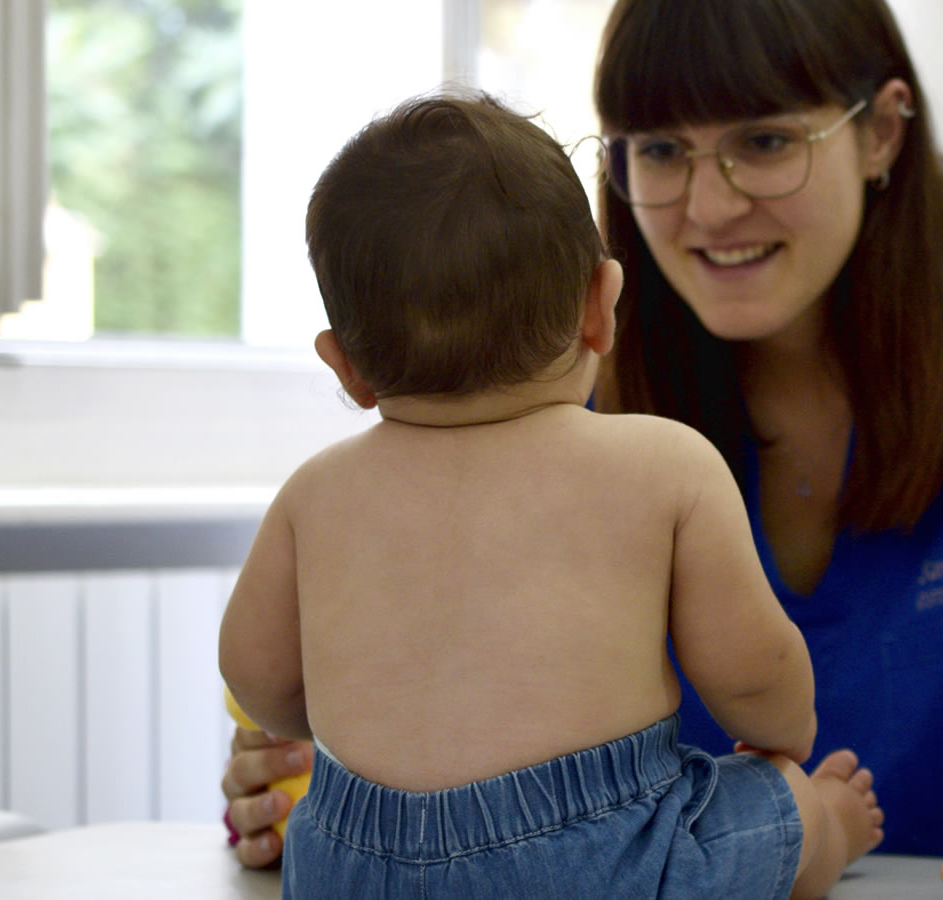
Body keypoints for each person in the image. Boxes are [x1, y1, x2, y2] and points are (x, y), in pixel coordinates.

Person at [226, 1, 943, 896]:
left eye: (766, 140)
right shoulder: (535, 355)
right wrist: (317, 777)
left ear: (882, 135)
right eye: (661, 152)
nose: (710, 205)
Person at [218, 91, 884, 899]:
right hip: (603, 860)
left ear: (344, 366)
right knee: (781, 801)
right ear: (601, 307)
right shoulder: (664, 463)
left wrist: (333, 740)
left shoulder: (313, 493)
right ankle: (835, 832)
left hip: (356, 864)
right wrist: (786, 747)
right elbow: (750, 677)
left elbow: (255, 676)